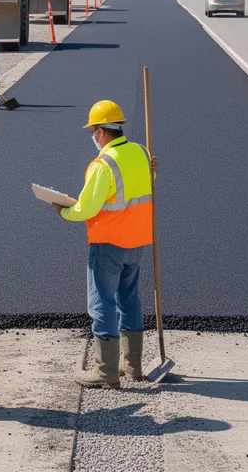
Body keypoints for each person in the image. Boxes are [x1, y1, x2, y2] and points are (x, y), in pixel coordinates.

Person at [53, 100, 158, 388]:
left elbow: (86, 208)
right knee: (129, 298)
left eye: (93, 131)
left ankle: (106, 371)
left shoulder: (104, 164)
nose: (93, 136)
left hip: (108, 243)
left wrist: (63, 211)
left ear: (100, 131)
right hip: (137, 242)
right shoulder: (141, 152)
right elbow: (148, 182)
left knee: (102, 302)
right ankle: (132, 366)